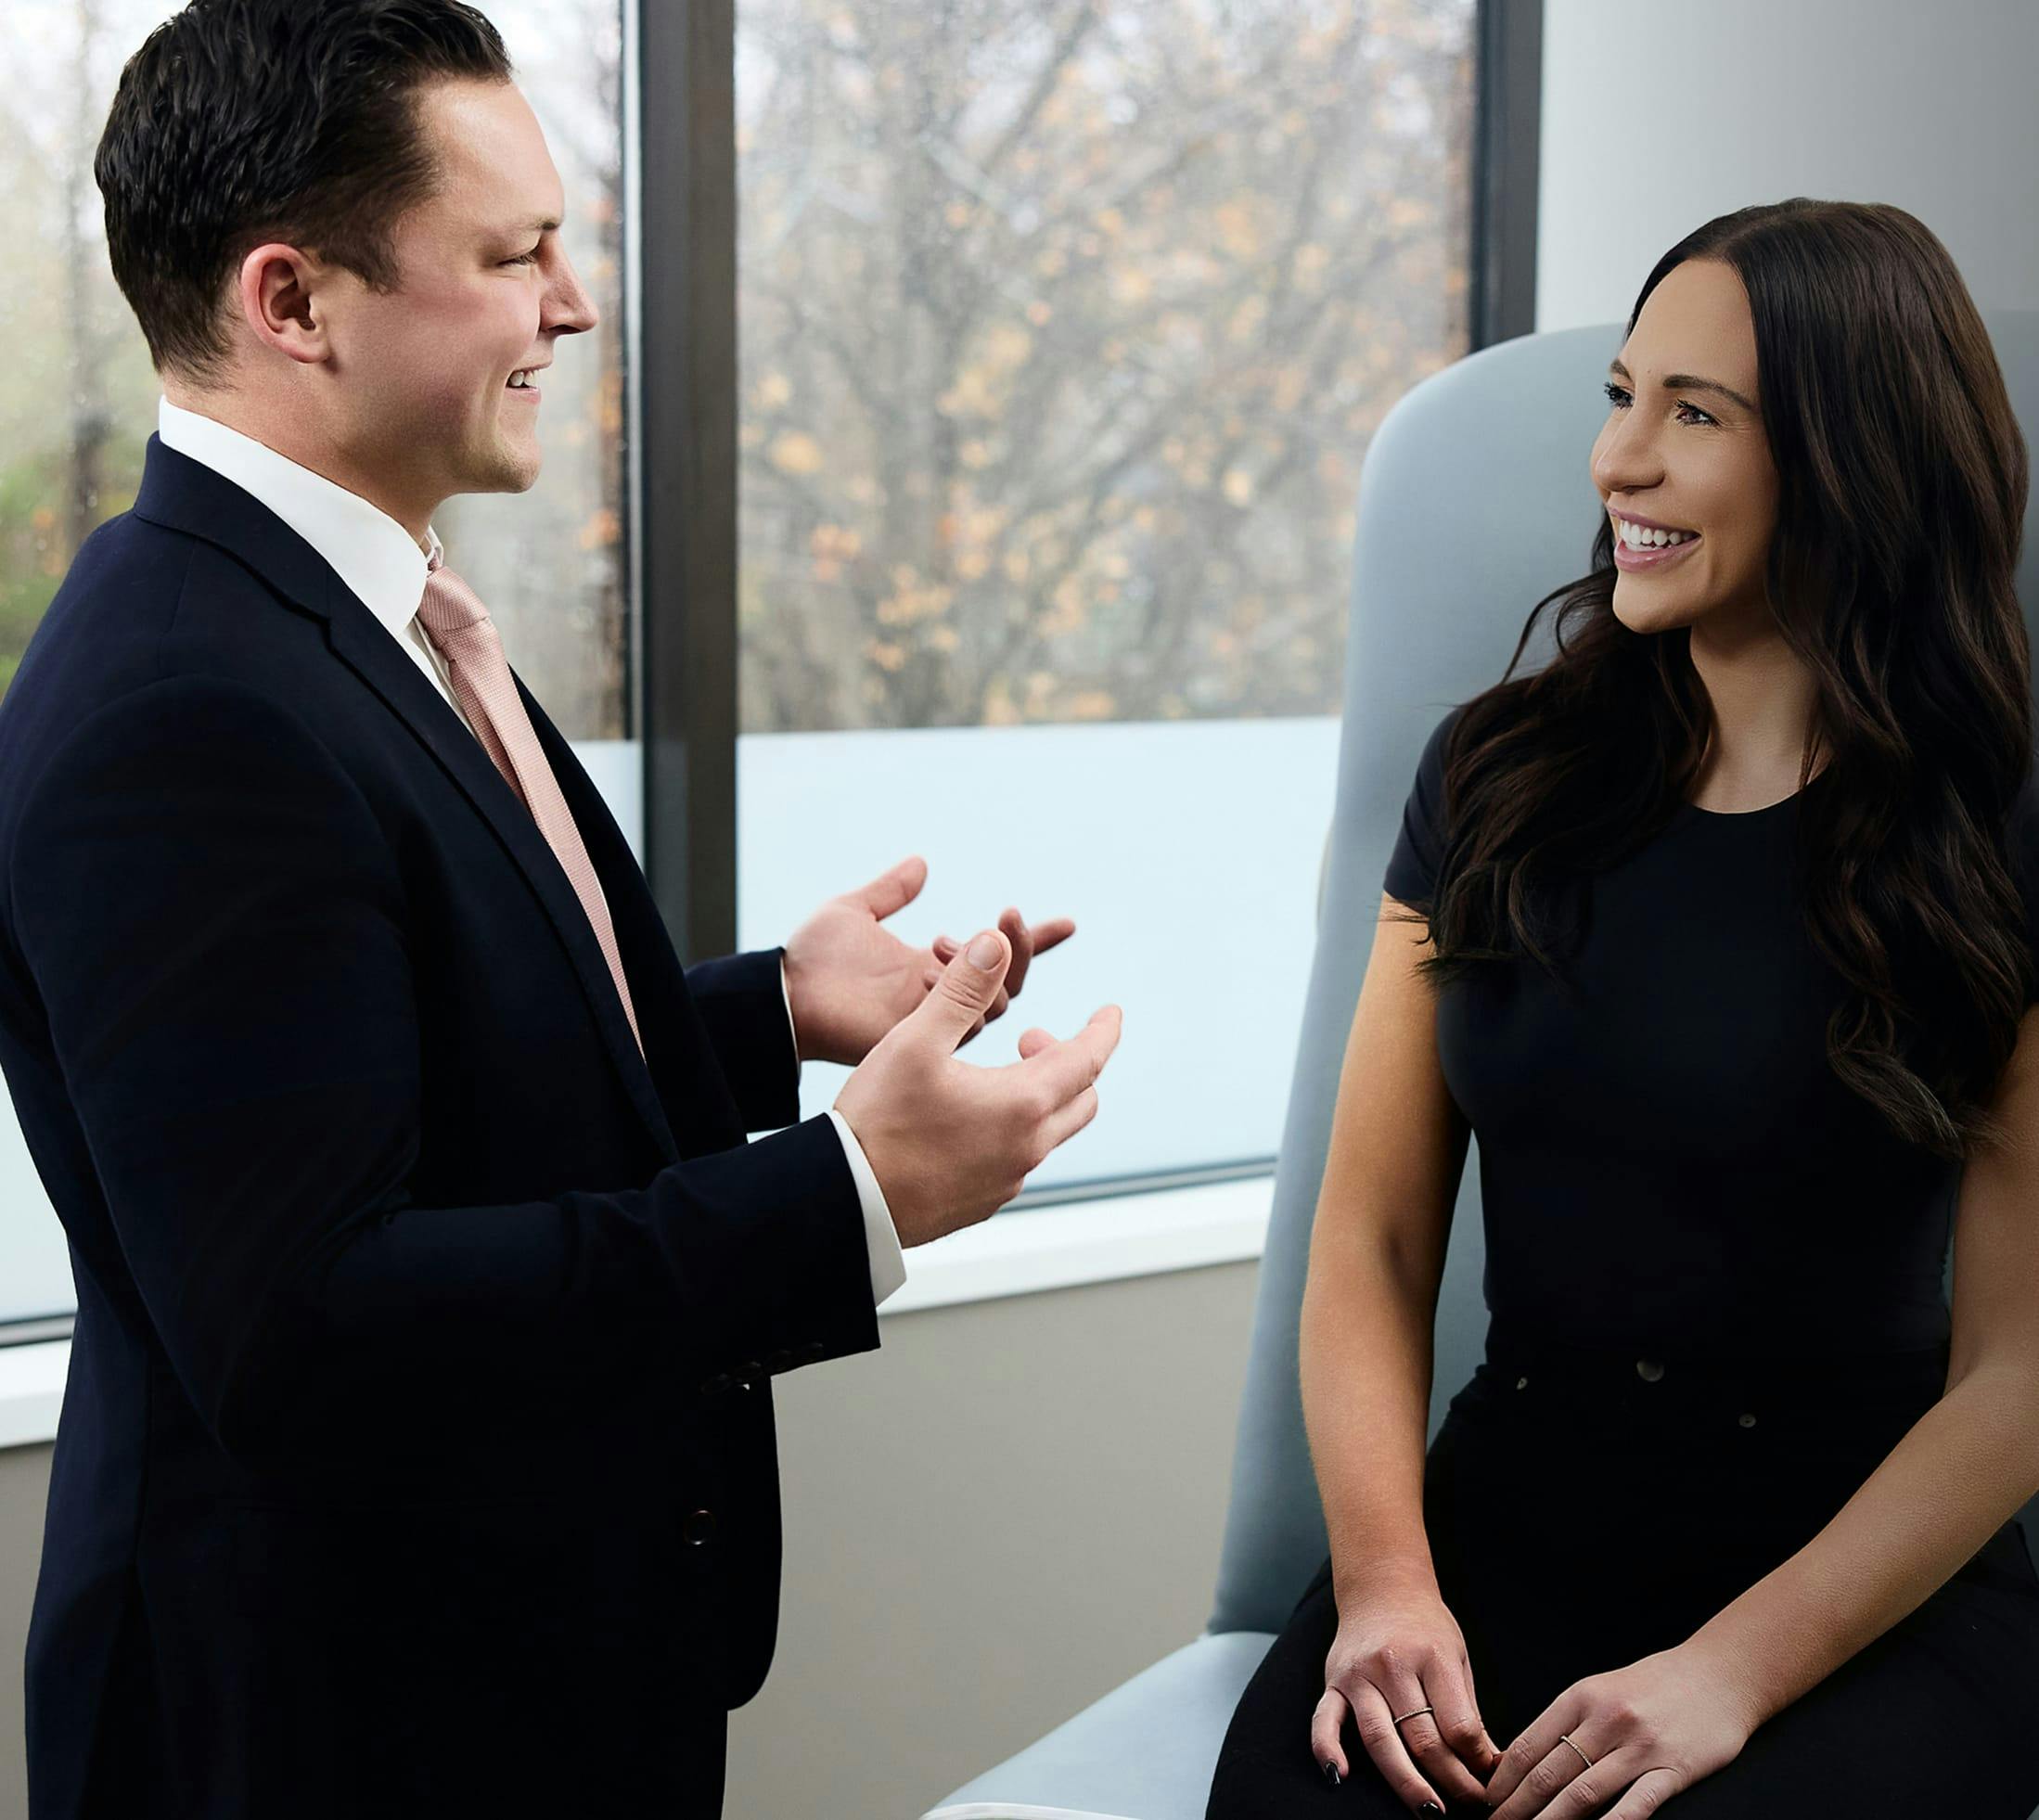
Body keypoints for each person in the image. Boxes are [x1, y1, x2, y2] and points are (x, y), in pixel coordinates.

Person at [0, 4, 1122, 1815]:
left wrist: (764, 1012)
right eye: (514, 253)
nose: (574, 306)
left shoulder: (334, 614)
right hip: (339, 1738)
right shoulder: (184, 704)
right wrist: (849, 1192)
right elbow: (307, 1327)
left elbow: (402, 1069)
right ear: (293, 301)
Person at [1206, 199, 2039, 1819]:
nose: (1616, 462)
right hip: (1499, 1535)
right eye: (1619, 397)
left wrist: (1728, 1671)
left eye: (1693, 414)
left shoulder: (1996, 838)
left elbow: (2016, 1372)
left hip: (1860, 1591)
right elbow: (1371, 1241)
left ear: (1852, 459)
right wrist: (1385, 1587)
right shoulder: (1490, 777)